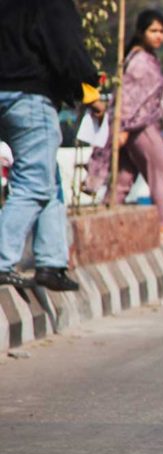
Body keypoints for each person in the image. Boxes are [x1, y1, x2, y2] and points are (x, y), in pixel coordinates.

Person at [0, 0, 104, 290]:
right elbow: (67, 51)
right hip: (30, 98)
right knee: (34, 183)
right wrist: (88, 88)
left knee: (48, 176)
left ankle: (51, 262)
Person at [85, 10, 163, 240]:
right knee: (161, 172)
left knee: (123, 178)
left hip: (136, 126)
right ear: (142, 32)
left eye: (162, 32)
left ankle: (104, 230)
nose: (158, 36)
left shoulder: (146, 58)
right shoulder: (138, 61)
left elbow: (144, 94)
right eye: (153, 31)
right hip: (137, 127)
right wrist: (123, 128)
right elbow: (128, 99)